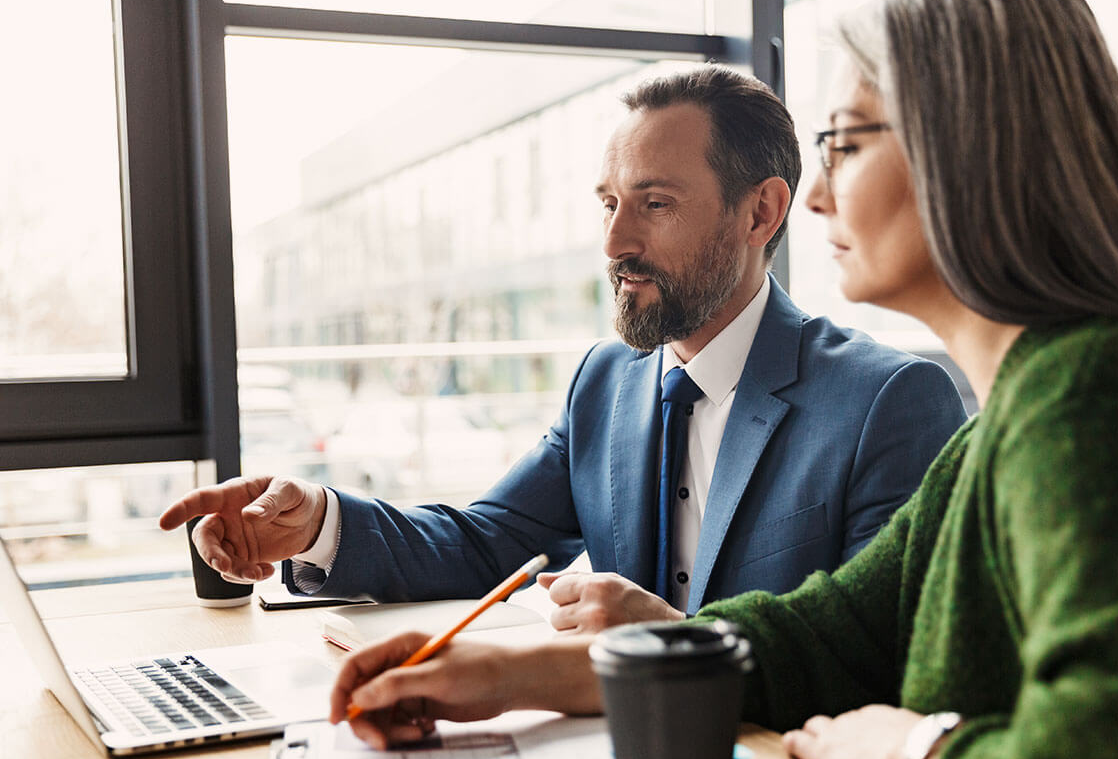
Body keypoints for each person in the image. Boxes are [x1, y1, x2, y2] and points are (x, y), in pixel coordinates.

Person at [321, 0, 1118, 759]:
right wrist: (504, 676)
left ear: (970, 148)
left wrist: (910, 751)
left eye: (845, 145)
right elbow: (819, 636)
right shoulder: (1008, 422)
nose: (817, 198)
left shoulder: (1090, 398)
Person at [159, 66, 966, 630]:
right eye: (609, 203)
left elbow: (881, 655)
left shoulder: (888, 401)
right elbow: (487, 541)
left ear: (762, 214)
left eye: (654, 203)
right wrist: (318, 525)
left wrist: (673, 645)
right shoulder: (606, 381)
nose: (616, 240)